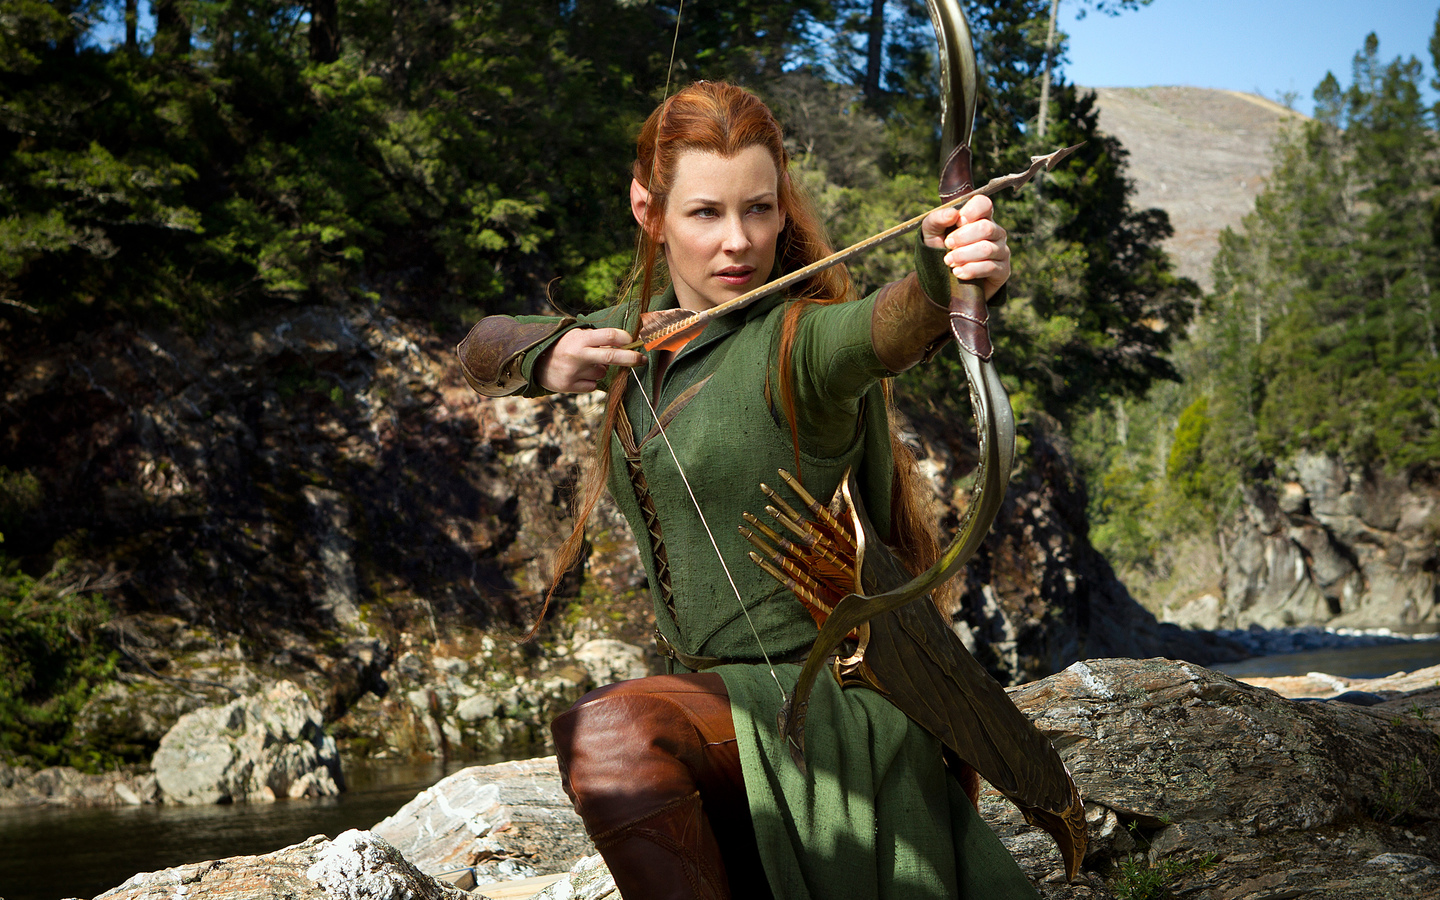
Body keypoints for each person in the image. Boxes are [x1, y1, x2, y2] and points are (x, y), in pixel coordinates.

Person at [457, 81, 1039, 900]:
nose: (739, 241)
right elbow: (480, 349)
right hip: (723, 714)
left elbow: (892, 323)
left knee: (609, 731)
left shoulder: (803, 341)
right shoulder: (632, 332)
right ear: (648, 210)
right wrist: (544, 353)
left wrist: (951, 272)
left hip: (830, 707)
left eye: (759, 210)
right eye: (705, 213)